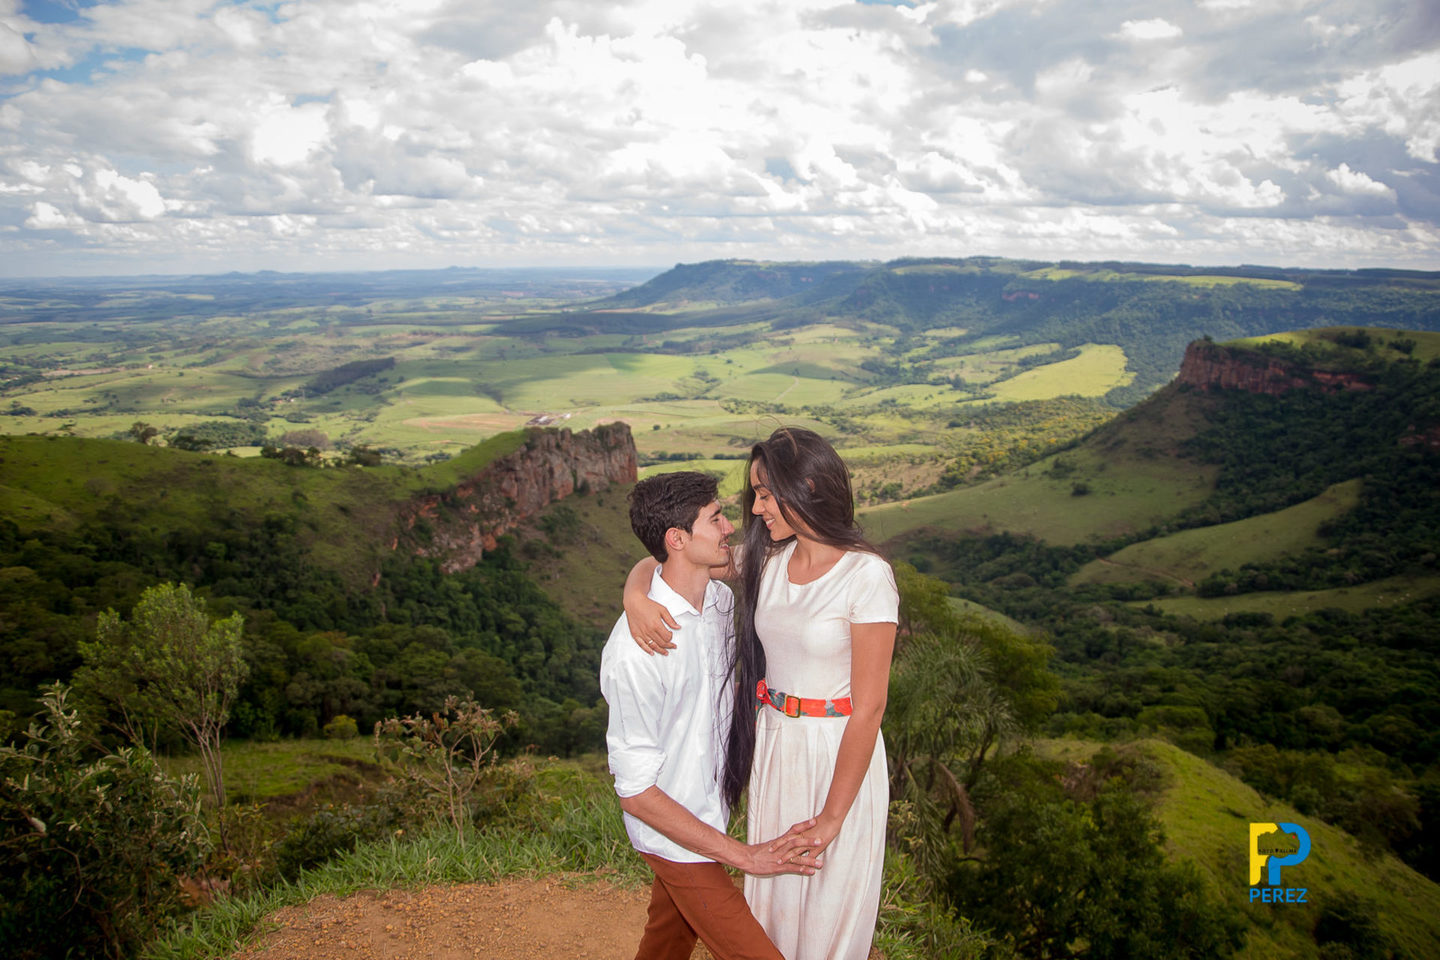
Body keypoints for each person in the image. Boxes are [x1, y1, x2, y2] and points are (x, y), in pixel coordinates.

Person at [624, 428, 898, 960]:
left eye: (766, 494)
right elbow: (669, 558)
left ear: (807, 487)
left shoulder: (867, 577)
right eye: (755, 493)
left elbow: (870, 708)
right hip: (776, 750)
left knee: (828, 909)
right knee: (774, 901)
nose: (755, 507)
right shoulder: (767, 557)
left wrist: (833, 816)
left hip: (837, 755)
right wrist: (635, 595)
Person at [600, 471, 822, 960]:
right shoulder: (636, 652)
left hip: (708, 814)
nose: (729, 529)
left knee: (667, 941)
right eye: (716, 518)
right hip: (675, 837)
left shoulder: (718, 602)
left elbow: (711, 695)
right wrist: (745, 857)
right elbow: (635, 792)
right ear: (677, 539)